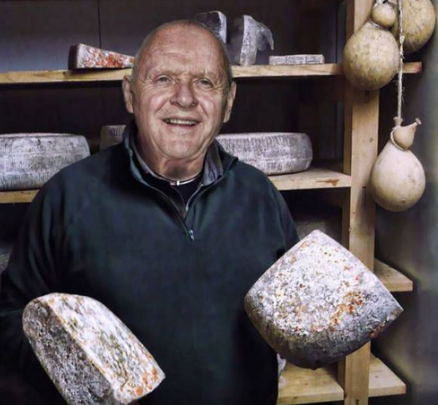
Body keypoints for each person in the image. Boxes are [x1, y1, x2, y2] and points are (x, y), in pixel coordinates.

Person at [0, 20, 299, 405]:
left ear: (228, 102)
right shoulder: (68, 198)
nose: (185, 98)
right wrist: (77, 375)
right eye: (163, 79)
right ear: (130, 94)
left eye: (205, 82)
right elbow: (11, 317)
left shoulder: (260, 196)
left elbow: (295, 312)